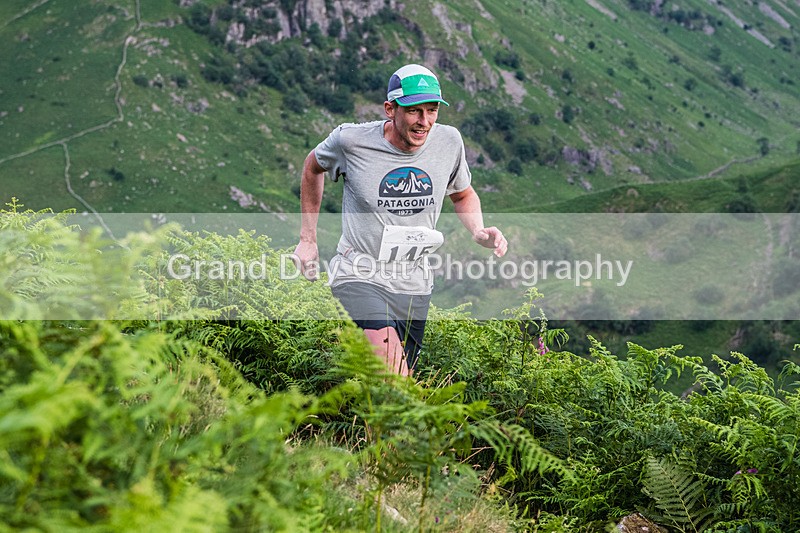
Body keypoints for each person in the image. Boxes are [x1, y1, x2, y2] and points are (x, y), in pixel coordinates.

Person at [293, 63, 507, 377]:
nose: (424, 122)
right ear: (390, 109)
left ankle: (348, 425)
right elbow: (313, 167)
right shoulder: (351, 141)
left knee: (386, 386)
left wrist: (478, 230)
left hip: (414, 281)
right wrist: (308, 239)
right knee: (396, 378)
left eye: (432, 111)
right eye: (414, 112)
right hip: (359, 273)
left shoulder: (449, 142)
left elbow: (462, 194)